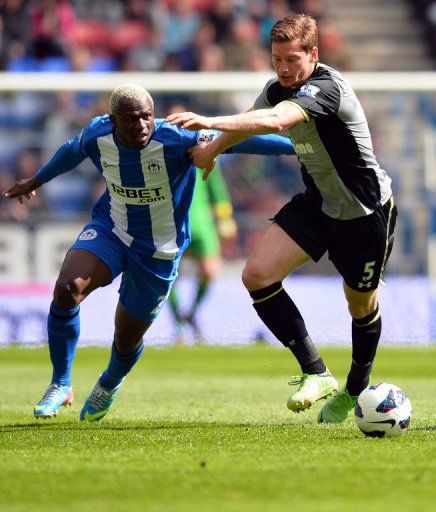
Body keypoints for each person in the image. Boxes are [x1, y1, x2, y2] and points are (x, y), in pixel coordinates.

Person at [3, 83, 294, 422]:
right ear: (113, 120)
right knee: (67, 288)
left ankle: (109, 383)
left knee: (126, 339)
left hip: (158, 249)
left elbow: (245, 141)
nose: (141, 125)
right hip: (112, 229)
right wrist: (36, 181)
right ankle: (60, 383)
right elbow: (71, 150)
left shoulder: (176, 138)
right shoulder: (98, 134)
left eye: (147, 117)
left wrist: (298, 149)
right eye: (131, 119)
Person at [167, 13, 397, 424]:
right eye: (277, 59)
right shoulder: (277, 87)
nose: (284, 68)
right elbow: (251, 123)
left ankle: (356, 388)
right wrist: (213, 149)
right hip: (317, 203)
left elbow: (275, 121)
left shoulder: (327, 89)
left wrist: (209, 121)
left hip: (364, 212)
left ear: (313, 53)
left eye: (292, 59)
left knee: (360, 305)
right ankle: (316, 372)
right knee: (257, 276)